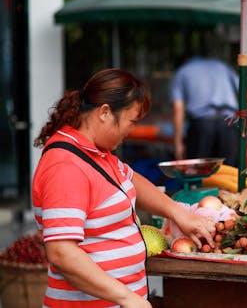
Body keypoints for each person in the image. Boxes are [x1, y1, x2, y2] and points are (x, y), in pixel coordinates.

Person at [32, 68, 215, 308]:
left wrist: (177, 212)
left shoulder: (97, 153)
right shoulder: (66, 166)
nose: (130, 131)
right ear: (105, 113)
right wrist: (126, 297)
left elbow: (131, 180)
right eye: (131, 121)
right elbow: (62, 253)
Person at [171, 55, 247, 167]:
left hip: (202, 125)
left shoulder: (182, 72)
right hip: (228, 123)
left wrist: (178, 142)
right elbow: (246, 93)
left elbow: (178, 108)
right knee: (229, 172)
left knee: (198, 173)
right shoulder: (222, 67)